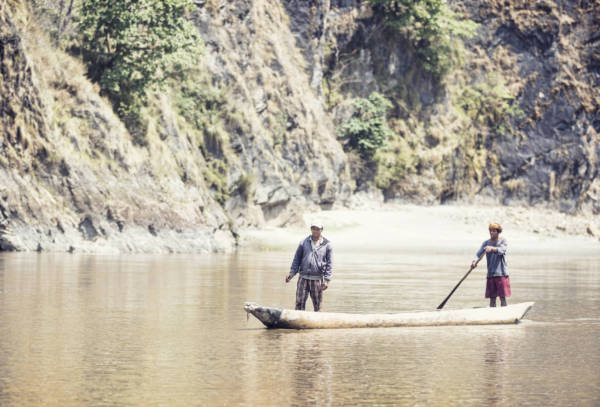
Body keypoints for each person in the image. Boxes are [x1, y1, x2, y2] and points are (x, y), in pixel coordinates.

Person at [285, 222, 333, 311]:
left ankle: (318, 323)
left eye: (318, 229)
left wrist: (326, 280)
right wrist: (291, 273)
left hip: (317, 280)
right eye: (314, 228)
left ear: (322, 230)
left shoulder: (327, 244)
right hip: (303, 278)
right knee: (299, 304)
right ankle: (298, 322)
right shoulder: (303, 242)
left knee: (318, 306)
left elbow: (329, 264)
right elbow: (297, 259)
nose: (315, 231)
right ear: (311, 229)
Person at [472, 223, 510, 307]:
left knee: (502, 297)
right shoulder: (486, 243)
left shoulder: (503, 241)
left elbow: (502, 250)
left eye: (494, 231)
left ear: (498, 232)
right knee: (492, 298)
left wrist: (492, 249)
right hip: (491, 274)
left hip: (501, 273)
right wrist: (474, 261)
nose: (492, 233)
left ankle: (504, 312)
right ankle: (492, 313)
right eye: (490, 231)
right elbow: (478, 254)